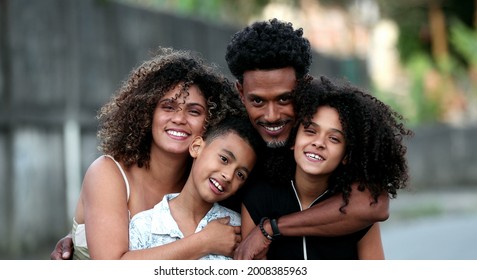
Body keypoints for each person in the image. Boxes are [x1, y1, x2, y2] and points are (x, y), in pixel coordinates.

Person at [52, 48, 246, 260]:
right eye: (168, 107)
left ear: (210, 123)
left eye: (194, 111)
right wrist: (204, 242)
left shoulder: (209, 181)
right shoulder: (107, 173)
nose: (179, 119)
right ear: (147, 113)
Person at [224, 18, 392, 259]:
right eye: (258, 101)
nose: (271, 116)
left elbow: (373, 204)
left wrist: (271, 228)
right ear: (241, 93)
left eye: (284, 99)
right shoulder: (232, 141)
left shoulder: (324, 144)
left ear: (302, 87)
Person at [241, 75, 412, 259]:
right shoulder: (259, 198)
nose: (319, 143)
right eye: (310, 131)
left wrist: (272, 228)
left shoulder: (355, 209)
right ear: (293, 140)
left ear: (346, 155)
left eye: (334, 138)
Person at [129, 116, 265, 260]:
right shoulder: (144, 225)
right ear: (197, 147)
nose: (228, 175)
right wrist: (205, 241)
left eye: (240, 174)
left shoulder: (239, 232)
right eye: (224, 159)